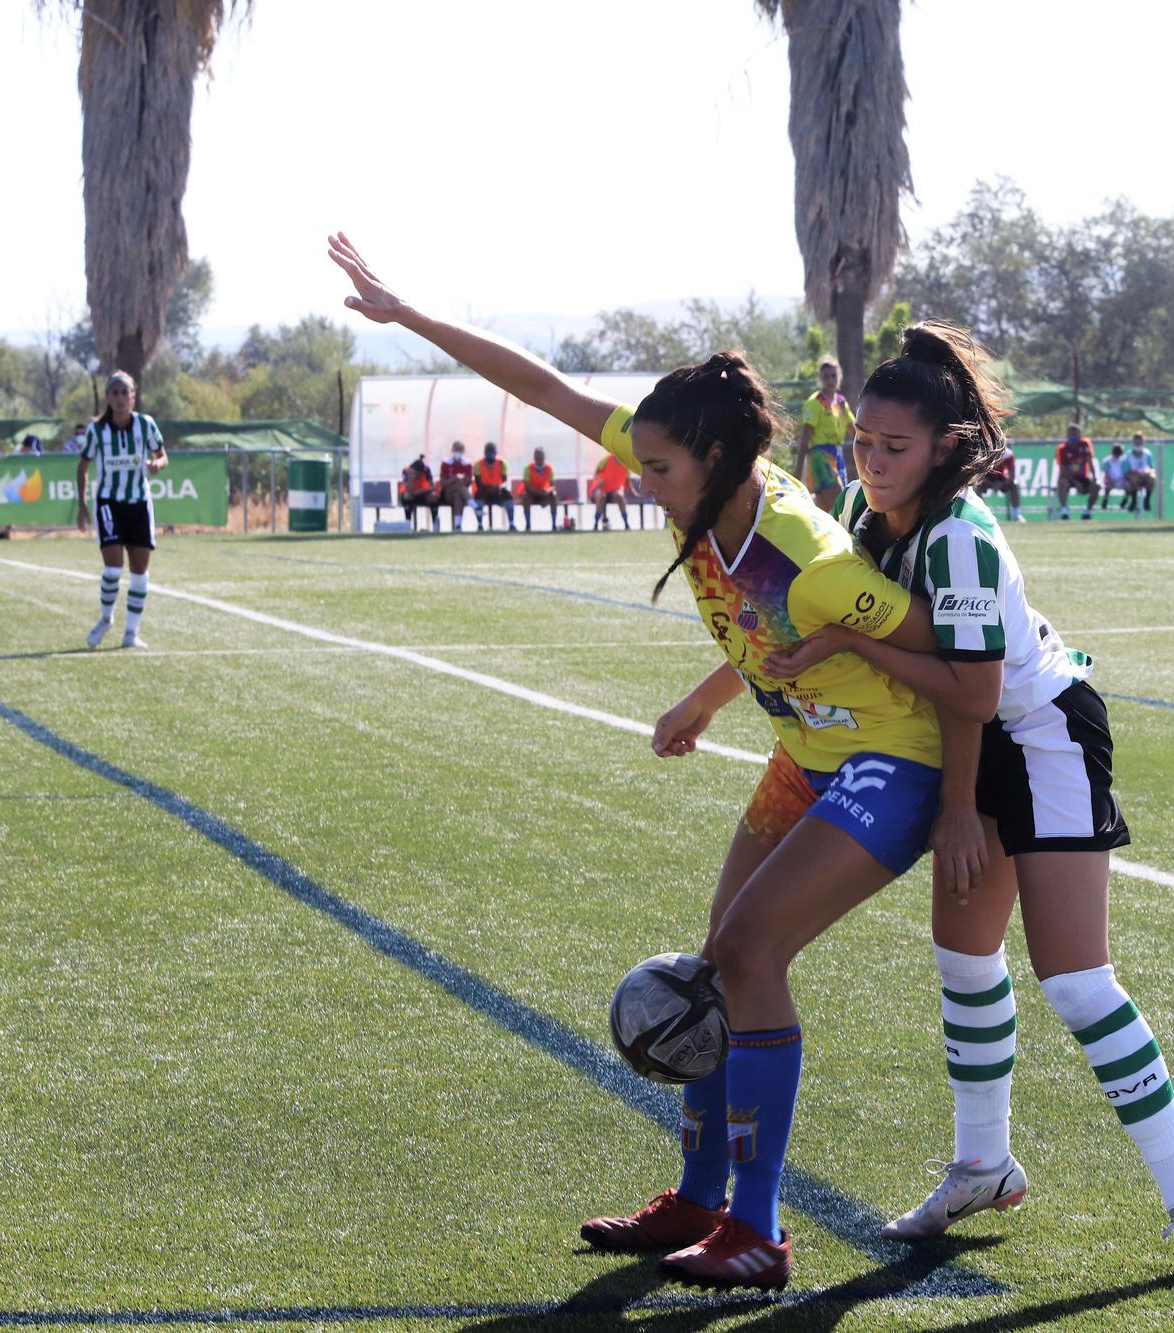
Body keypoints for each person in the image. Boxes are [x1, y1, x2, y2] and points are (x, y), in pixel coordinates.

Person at [329, 231, 954, 1291]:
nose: (641, 477)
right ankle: (701, 1201)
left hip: (892, 761)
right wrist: (410, 315)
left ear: (713, 460)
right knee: (719, 959)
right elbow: (542, 385)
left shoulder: (806, 552)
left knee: (749, 956)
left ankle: (756, 1230)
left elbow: (937, 648)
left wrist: (872, 683)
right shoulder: (706, 487)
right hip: (804, 753)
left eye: (656, 467)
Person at [762, 321, 1174, 1288]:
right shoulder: (863, 508)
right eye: (864, 444)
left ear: (941, 445)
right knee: (966, 958)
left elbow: (976, 691)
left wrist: (959, 808)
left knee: (1075, 981)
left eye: (896, 448)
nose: (873, 463)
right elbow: (883, 647)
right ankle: (983, 1168)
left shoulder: (962, 534)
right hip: (968, 738)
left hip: (1043, 733)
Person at [76, 371, 168, 650]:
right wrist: (81, 505)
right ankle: (106, 619)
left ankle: (131, 632)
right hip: (109, 503)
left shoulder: (145, 424)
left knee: (140, 573)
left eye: (123, 392)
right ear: (108, 398)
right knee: (114, 569)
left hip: (139, 503)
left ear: (133, 396)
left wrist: (157, 465)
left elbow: (162, 455)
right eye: (113, 393)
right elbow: (83, 467)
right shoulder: (97, 430)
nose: (119, 398)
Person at [792, 356, 853, 515]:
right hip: (820, 456)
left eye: (833, 375)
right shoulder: (815, 403)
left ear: (839, 377)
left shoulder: (840, 403)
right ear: (820, 378)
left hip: (836, 453)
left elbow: (854, 429)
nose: (830, 379)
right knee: (839, 498)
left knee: (822, 508)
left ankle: (801, 518)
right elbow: (804, 439)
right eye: (826, 376)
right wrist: (797, 473)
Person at [1054, 423, 1097, 520]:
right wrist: (1075, 483)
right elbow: (1063, 470)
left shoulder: (1085, 444)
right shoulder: (1062, 449)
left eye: (1075, 434)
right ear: (1067, 435)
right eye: (1071, 434)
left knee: (1096, 487)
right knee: (1062, 482)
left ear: (1080, 435)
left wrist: (1094, 477)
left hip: (1082, 477)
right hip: (1068, 478)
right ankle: (1064, 510)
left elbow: (1090, 462)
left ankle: (1087, 512)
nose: (1073, 437)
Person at [975, 441, 1024, 522]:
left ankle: (1016, 514)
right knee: (976, 486)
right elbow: (980, 475)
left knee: (1014, 484)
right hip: (988, 477)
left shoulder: (1008, 455)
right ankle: (982, 515)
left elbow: (1012, 476)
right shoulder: (986, 454)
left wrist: (1002, 483)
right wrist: (991, 484)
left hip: (1001, 478)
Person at [474, 441, 514, 531]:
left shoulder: (502, 463)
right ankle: (480, 524)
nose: (490, 455)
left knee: (508, 495)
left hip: (498, 491)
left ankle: (512, 524)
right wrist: (489, 488)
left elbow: (504, 480)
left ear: (496, 453)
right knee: (478, 496)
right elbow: (478, 482)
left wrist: (498, 487)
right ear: (485, 453)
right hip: (484, 490)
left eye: (492, 452)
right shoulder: (477, 464)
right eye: (488, 452)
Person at [438, 442, 474, 531]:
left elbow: (469, 482)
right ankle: (472, 503)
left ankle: (458, 525)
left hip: (461, 494)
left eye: (460, 450)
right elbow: (443, 483)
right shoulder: (446, 463)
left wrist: (462, 480)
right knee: (457, 481)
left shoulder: (467, 464)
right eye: (456, 450)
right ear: (452, 450)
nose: (458, 452)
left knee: (458, 495)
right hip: (447, 494)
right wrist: (454, 479)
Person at [593, 449, 633, 529]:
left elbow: (628, 482)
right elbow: (596, 474)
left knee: (620, 498)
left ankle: (626, 524)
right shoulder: (606, 460)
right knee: (602, 496)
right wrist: (599, 480)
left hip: (613, 491)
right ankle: (596, 524)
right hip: (599, 488)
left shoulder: (627, 464)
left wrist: (635, 492)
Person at [520, 447, 558, 531]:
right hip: (532, 494)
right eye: (537, 458)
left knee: (554, 496)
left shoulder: (549, 468)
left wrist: (546, 492)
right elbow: (526, 486)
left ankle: (554, 524)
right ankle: (528, 525)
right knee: (525, 497)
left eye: (541, 458)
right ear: (534, 458)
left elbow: (552, 486)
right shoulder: (527, 468)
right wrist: (537, 492)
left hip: (544, 494)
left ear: (544, 458)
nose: (539, 460)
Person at [399, 455, 438, 531]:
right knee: (407, 496)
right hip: (411, 494)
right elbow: (407, 489)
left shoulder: (426, 470)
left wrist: (423, 491)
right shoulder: (406, 471)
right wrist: (411, 478)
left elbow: (432, 487)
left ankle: (435, 524)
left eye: (419, 474)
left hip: (423, 493)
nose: (418, 475)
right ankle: (408, 523)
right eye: (417, 473)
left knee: (433, 498)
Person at [1122, 433, 1157, 516]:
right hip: (1133, 478)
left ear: (1143, 441)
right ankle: (1134, 500)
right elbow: (1126, 470)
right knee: (1133, 478)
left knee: (1152, 478)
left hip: (1145, 476)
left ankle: (1147, 499)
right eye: (1136, 439)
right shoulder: (1128, 455)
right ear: (1133, 441)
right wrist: (1135, 472)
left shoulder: (1147, 453)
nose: (1138, 441)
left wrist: (1148, 472)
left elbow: (1152, 467)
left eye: (1140, 439)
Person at [1099, 443, 1129, 510]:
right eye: (1116, 450)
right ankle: (1105, 501)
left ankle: (1124, 502)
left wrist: (1124, 480)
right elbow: (1105, 473)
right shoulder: (1107, 461)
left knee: (1129, 487)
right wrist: (1110, 480)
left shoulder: (1125, 461)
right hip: (1110, 481)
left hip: (1122, 481)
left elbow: (1127, 473)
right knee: (1107, 487)